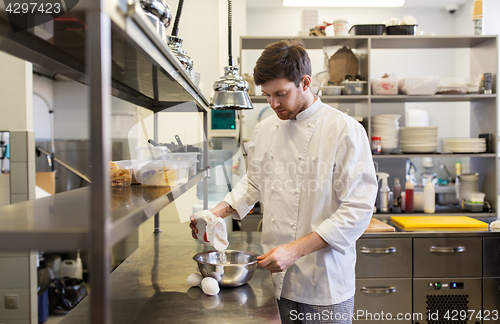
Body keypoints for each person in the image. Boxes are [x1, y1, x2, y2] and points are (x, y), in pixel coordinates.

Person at [190, 39, 378, 324]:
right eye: (266, 95)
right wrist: (216, 213)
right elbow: (254, 182)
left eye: (281, 94)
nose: (273, 104)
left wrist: (294, 251)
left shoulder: (344, 130)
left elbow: (358, 210)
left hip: (324, 285)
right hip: (278, 282)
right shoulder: (266, 129)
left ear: (305, 82)